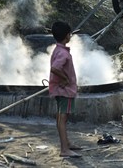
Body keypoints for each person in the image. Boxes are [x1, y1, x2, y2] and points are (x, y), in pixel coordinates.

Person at [49, 21, 81, 158]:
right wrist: (65, 79)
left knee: (61, 117)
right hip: (65, 91)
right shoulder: (63, 53)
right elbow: (55, 68)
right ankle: (64, 149)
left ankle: (66, 143)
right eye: (70, 33)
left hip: (60, 90)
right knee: (62, 118)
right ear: (67, 36)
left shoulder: (58, 49)